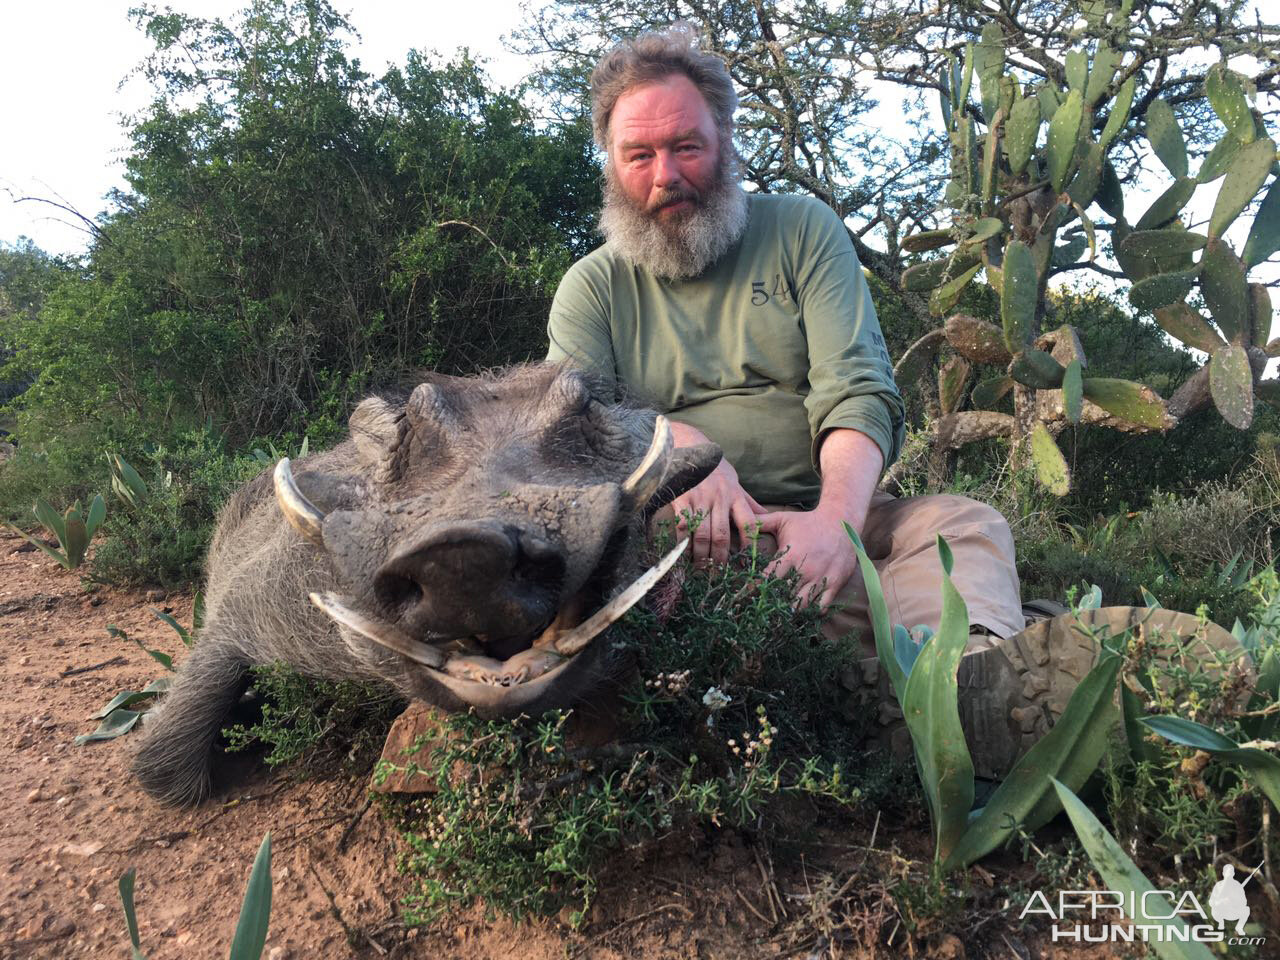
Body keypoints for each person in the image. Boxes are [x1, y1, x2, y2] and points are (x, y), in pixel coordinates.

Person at [544, 24, 1243, 778]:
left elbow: (858, 386)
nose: (665, 175)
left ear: (726, 140)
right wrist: (672, 449)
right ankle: (910, 678)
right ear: (611, 167)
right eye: (638, 156)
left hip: (821, 531)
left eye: (686, 146)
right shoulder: (592, 287)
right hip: (688, 551)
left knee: (959, 523)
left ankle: (970, 681)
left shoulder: (799, 232)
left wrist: (836, 528)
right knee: (583, 588)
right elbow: (566, 432)